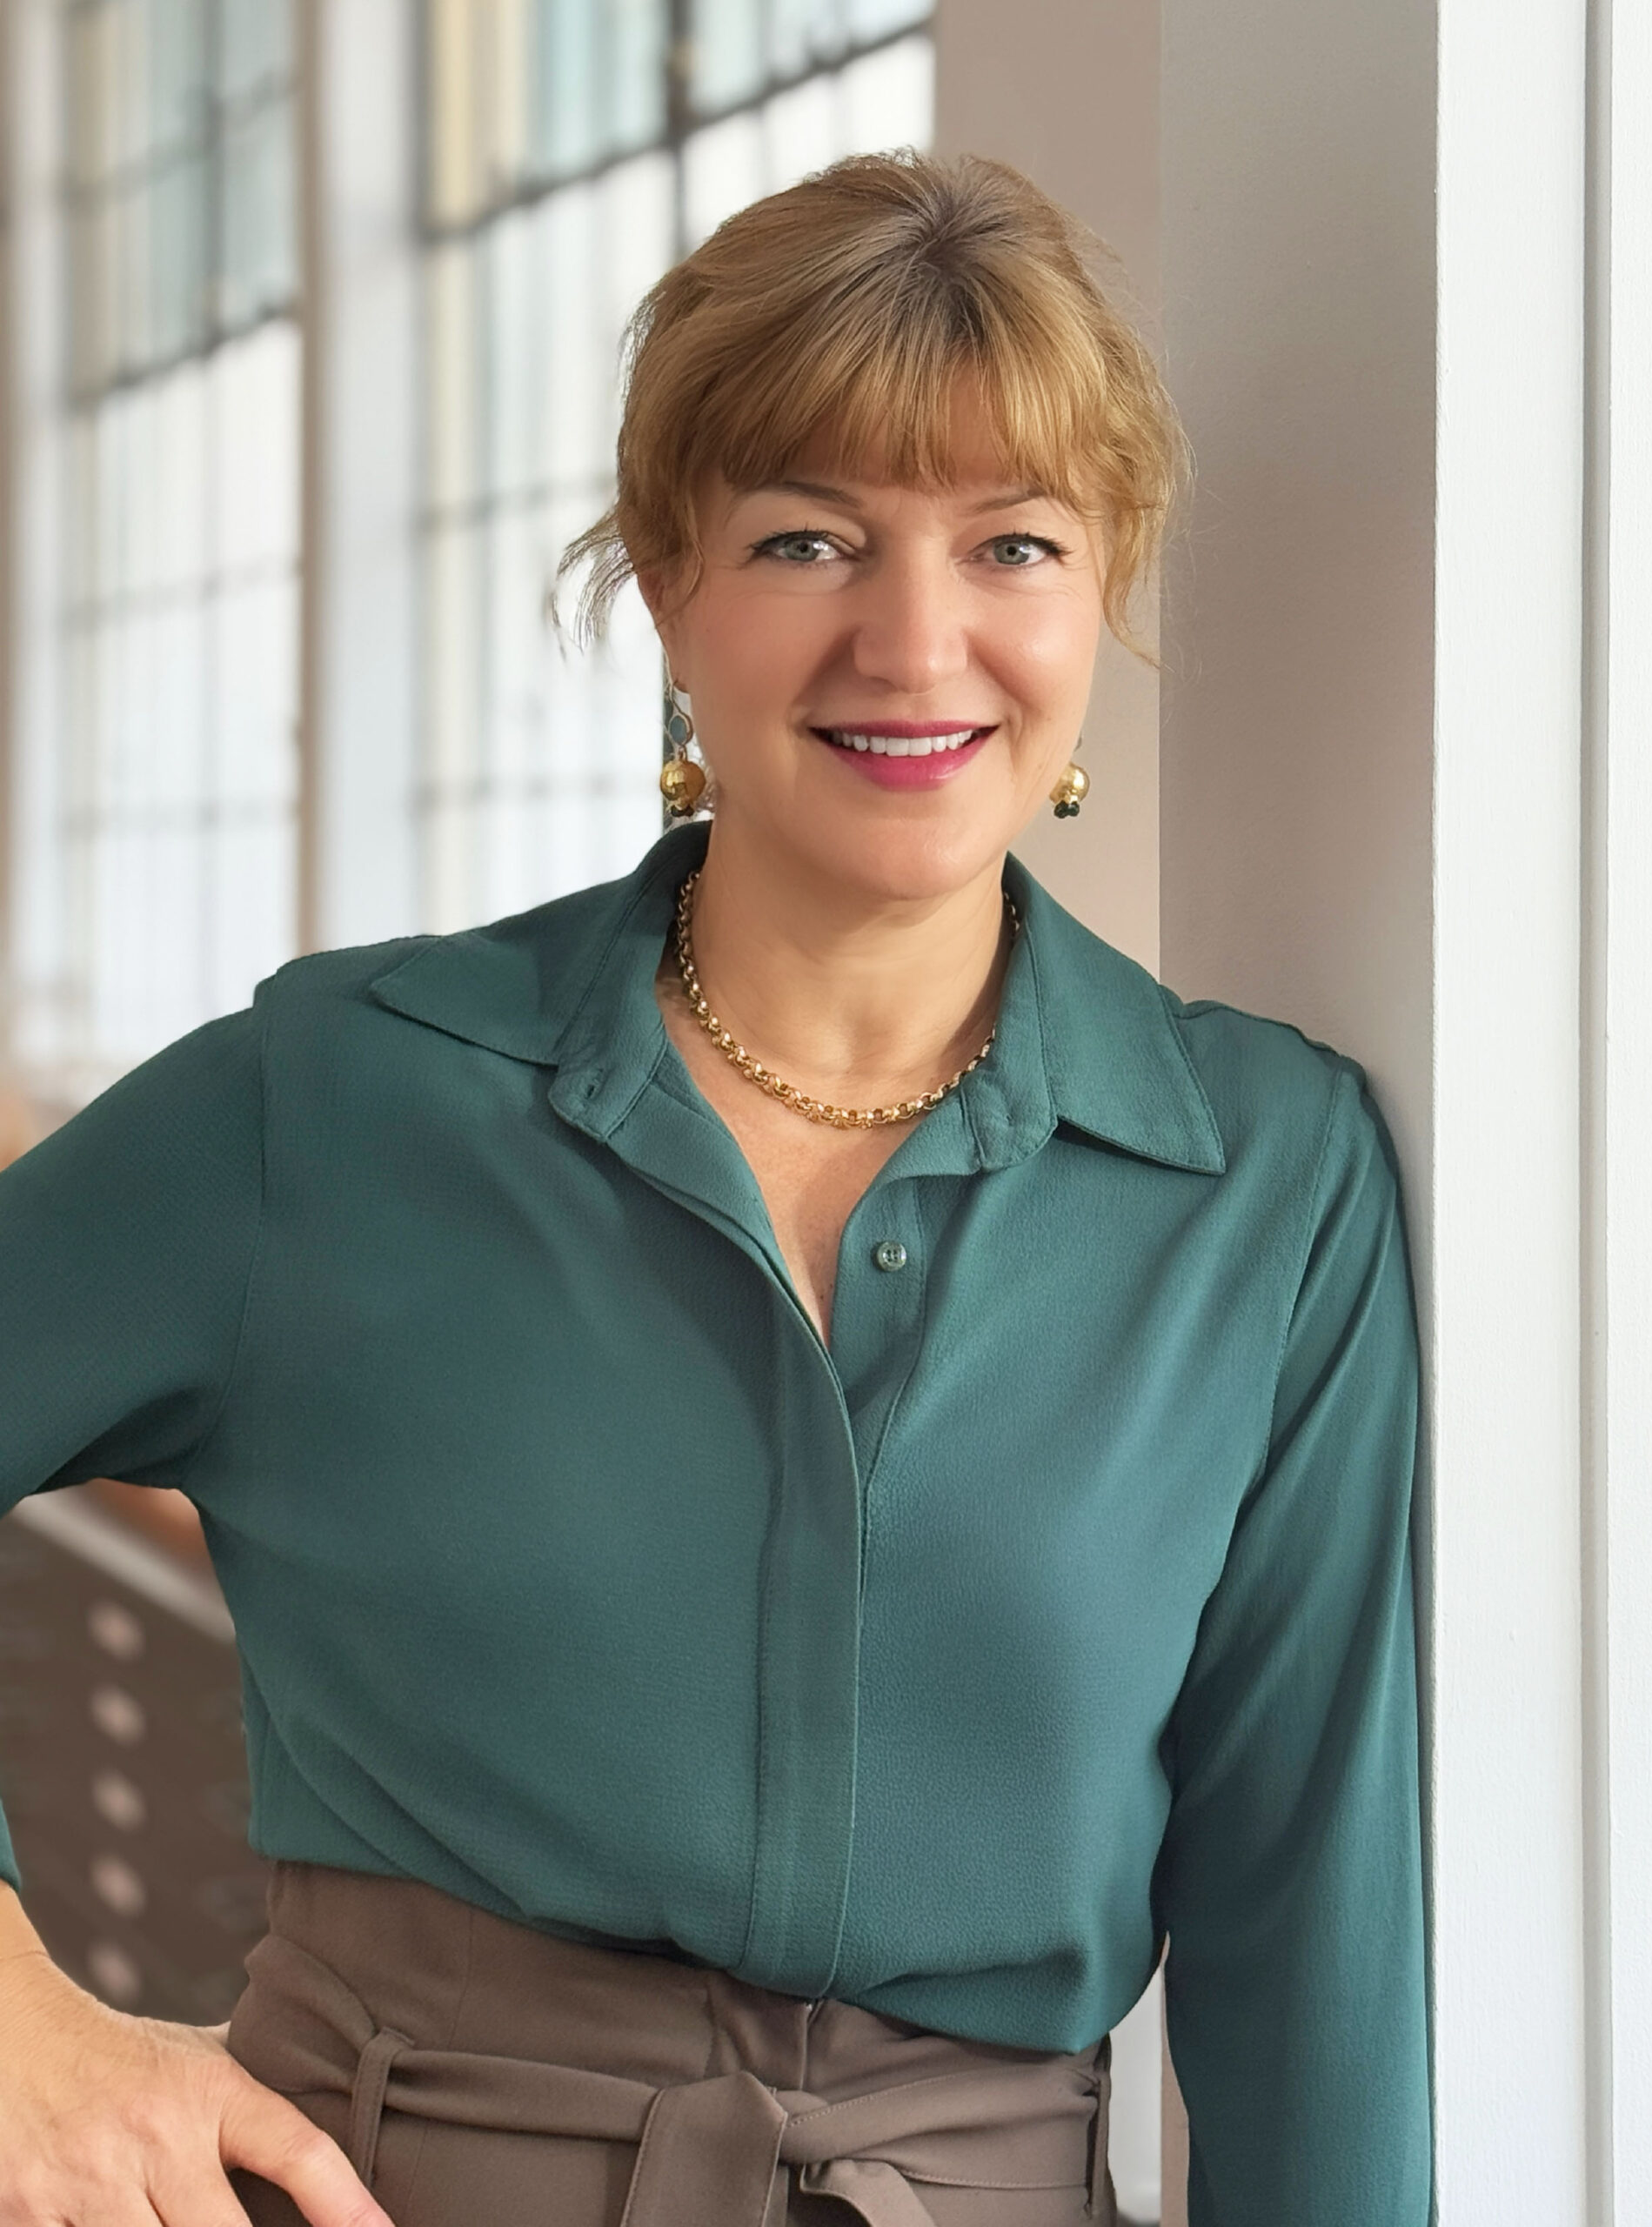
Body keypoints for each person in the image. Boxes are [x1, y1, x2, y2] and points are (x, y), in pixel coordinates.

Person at [0, 152, 1429, 2227]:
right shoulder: (335, 1105)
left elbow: (1317, 1948)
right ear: (670, 586)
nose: (917, 638)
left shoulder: (1267, 1182)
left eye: (1011, 543)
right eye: (809, 539)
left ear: (1096, 589)